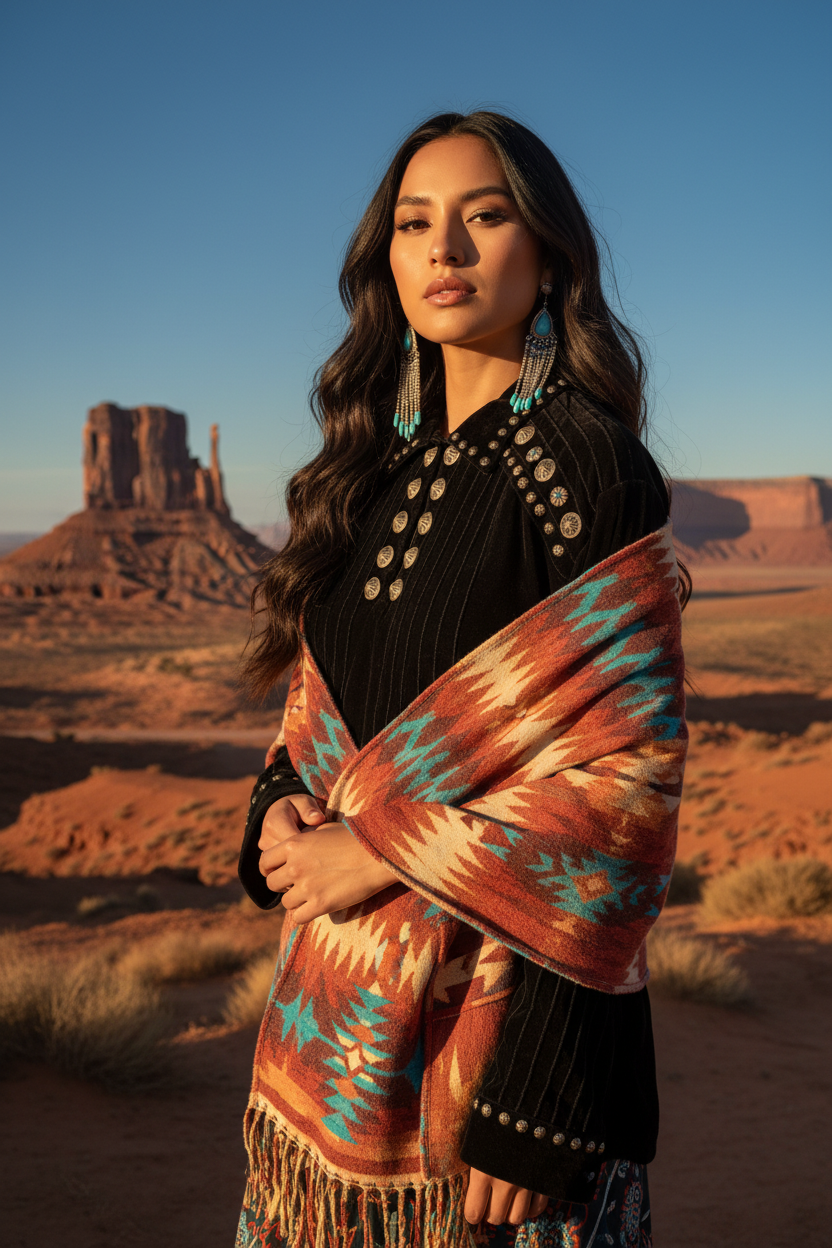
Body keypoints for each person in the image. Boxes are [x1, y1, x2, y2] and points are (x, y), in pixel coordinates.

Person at [235, 111, 688, 1248]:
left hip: (495, 1074)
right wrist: (275, 817)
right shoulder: (360, 469)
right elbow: (324, 720)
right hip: (326, 1058)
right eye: (413, 223)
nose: (444, 251)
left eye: (484, 218)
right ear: (383, 260)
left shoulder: (583, 466)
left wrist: (539, 1097)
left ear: (546, 256)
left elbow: (616, 799)